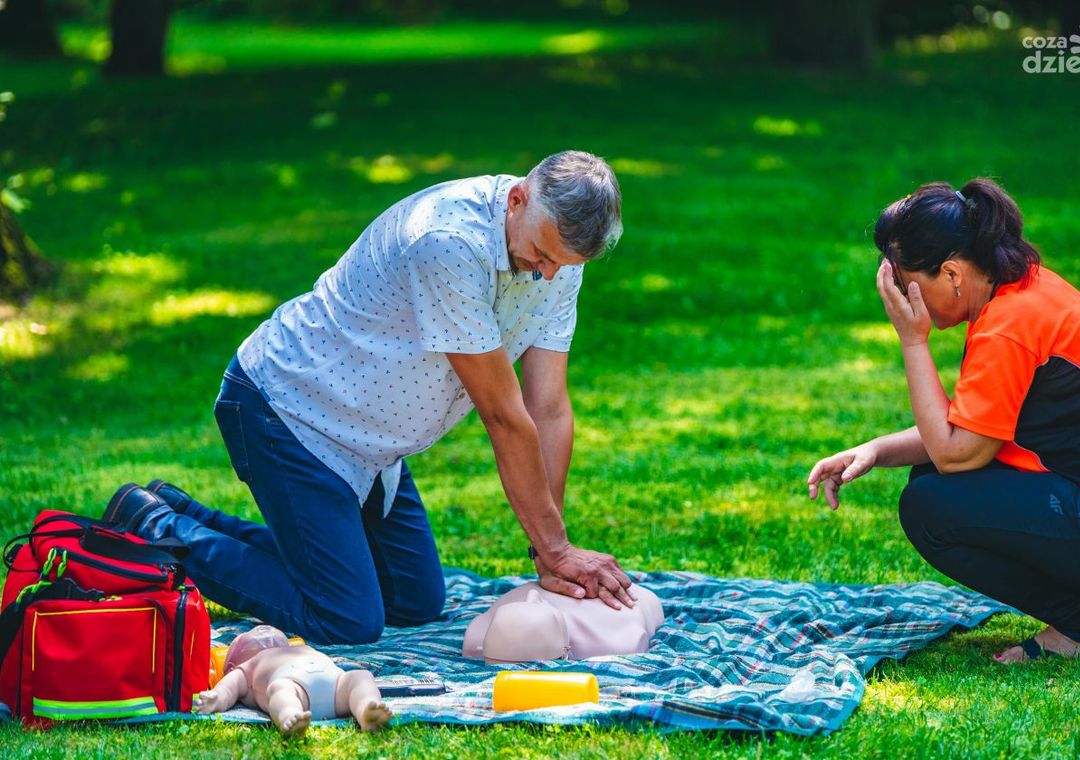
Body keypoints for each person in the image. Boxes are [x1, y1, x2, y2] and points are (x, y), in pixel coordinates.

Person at [102, 150, 635, 645]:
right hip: (289, 412)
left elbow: (549, 407)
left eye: (562, 265)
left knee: (414, 602)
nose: (547, 275)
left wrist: (549, 553)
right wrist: (556, 549)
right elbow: (504, 415)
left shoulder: (559, 259)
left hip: (373, 446)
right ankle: (153, 526)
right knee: (345, 617)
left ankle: (176, 508)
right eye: (540, 255)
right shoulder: (448, 242)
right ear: (517, 199)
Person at [807, 178, 1080, 663]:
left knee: (930, 507)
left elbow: (956, 453)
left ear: (951, 274)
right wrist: (876, 451)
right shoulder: (1022, 291)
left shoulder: (1009, 326)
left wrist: (913, 340)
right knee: (934, 483)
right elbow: (967, 432)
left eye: (905, 284)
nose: (902, 298)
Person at [196, 624, 392, 736]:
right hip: (293, 685)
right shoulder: (244, 668)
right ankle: (290, 716)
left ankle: (366, 708)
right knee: (280, 690)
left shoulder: (297, 649)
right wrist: (215, 698)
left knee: (359, 677)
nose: (263, 633)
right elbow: (227, 690)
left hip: (336, 684)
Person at [462, 582, 664, 662]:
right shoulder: (478, 636)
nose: (531, 598)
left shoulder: (618, 641)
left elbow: (647, 610)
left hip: (625, 598)